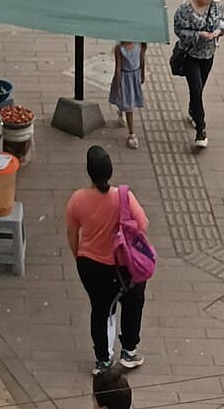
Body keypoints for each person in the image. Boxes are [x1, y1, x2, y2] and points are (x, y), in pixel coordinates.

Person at [66, 145, 149, 378]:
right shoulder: (124, 197)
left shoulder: (77, 200)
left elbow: (72, 235)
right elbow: (143, 225)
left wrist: (79, 257)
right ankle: (129, 351)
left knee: (100, 310)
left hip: (91, 265)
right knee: (133, 303)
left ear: (89, 171)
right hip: (125, 266)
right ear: (110, 171)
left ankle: (103, 359)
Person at [172, 0, 224, 150]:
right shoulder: (185, 9)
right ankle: (201, 130)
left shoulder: (218, 7)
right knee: (196, 89)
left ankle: (192, 110)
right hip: (191, 55)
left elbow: (221, 25)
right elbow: (178, 30)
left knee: (199, 89)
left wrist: (218, 32)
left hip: (208, 55)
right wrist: (197, 35)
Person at [110, 38, 146, 148]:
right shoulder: (119, 49)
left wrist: (142, 74)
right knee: (128, 105)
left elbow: (142, 60)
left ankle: (122, 112)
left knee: (127, 101)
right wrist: (117, 83)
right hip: (125, 78)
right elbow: (118, 67)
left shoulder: (139, 45)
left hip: (134, 77)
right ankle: (131, 133)